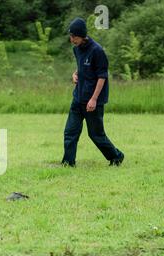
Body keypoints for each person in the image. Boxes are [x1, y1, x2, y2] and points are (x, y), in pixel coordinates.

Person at [62, 18, 124, 167]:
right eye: (70, 36)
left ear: (82, 35)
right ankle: (68, 163)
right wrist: (75, 74)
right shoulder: (76, 49)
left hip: (92, 101)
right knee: (70, 132)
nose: (71, 40)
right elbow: (81, 67)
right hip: (78, 98)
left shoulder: (97, 51)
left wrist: (94, 99)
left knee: (96, 135)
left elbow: (102, 76)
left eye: (74, 36)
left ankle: (116, 156)